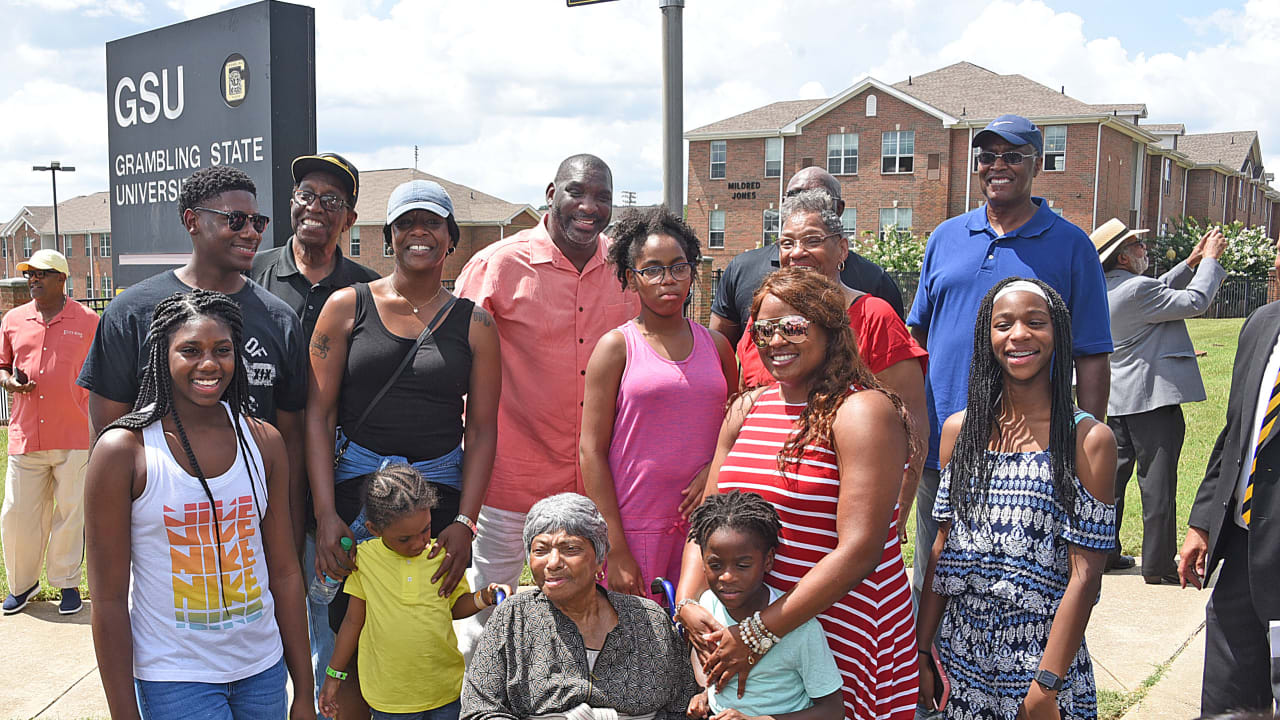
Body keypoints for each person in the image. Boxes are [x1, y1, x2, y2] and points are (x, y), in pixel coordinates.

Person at [676, 267, 919, 720]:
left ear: (830, 329)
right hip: (748, 623)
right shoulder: (747, 408)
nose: (775, 341)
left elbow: (861, 550)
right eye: (764, 330)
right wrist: (689, 604)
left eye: (794, 327)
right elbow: (703, 522)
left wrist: (759, 635)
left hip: (838, 627)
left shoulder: (863, 410)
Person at [306, 179, 501, 718]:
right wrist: (325, 514)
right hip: (355, 497)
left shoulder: (477, 323)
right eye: (405, 224)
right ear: (388, 237)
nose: (419, 232)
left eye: (432, 222)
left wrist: (465, 521)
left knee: (423, 616)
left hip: (436, 502)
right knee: (348, 619)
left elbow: (482, 430)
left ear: (451, 238)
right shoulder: (346, 307)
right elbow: (318, 418)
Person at [908, 114, 1114, 599]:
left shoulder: (1070, 245)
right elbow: (916, 340)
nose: (998, 165)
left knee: (1032, 589)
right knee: (936, 578)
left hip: (1034, 456)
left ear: (1036, 164)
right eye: (988, 156)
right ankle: (930, 672)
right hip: (944, 445)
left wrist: (1083, 443)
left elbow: (1091, 353)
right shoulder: (945, 238)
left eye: (1013, 155)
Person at [84, 290, 313, 720]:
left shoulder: (263, 442)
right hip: (175, 677)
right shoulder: (125, 451)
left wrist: (303, 689)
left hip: (262, 671)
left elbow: (284, 571)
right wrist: (123, 713)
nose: (209, 364)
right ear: (161, 355)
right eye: (190, 350)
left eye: (222, 350)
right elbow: (109, 600)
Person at [454, 154, 638, 656]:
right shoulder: (496, 265)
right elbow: (455, 364)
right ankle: (481, 702)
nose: (590, 206)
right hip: (510, 473)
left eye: (603, 196)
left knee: (588, 606)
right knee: (488, 606)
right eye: (578, 192)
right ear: (551, 192)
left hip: (599, 479)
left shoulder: (626, 268)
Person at [915, 277, 1117, 720]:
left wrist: (1046, 685)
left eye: (1035, 322)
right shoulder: (960, 432)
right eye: (1003, 324)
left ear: (1058, 334)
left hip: (1041, 660)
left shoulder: (1088, 440)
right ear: (987, 338)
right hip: (961, 654)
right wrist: (924, 649)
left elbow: (1085, 575)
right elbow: (941, 550)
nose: (1019, 335)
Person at [250, 152, 380, 708]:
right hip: (262, 479)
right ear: (291, 203)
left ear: (348, 218)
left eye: (332, 201)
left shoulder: (369, 290)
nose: (316, 208)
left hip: (338, 482)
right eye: (307, 195)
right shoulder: (251, 279)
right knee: (263, 617)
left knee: (333, 619)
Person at [76, 164, 307, 467]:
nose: (251, 233)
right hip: (155, 506)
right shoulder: (130, 313)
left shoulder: (280, 320)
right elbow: (105, 439)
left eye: (258, 222)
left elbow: (290, 443)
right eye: (235, 220)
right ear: (193, 221)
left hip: (251, 508)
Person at [735, 190, 928, 537]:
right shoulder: (760, 324)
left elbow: (911, 424)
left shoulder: (874, 317)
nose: (797, 253)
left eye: (812, 240)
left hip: (846, 516)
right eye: (787, 243)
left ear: (842, 249)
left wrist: (896, 513)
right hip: (761, 517)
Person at [580, 206, 736, 597]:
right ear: (631, 279)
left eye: (678, 266)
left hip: (706, 522)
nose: (667, 280)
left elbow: (737, 429)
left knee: (696, 642)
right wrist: (615, 548)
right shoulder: (616, 347)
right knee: (638, 649)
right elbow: (590, 451)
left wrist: (713, 473)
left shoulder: (716, 346)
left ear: (693, 270)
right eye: (652, 269)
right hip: (635, 528)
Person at [461, 493, 697, 720]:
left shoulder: (649, 619)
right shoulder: (513, 617)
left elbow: (682, 706)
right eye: (540, 550)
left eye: (570, 549)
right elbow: (479, 709)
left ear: (599, 559)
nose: (553, 563)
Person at [1093, 218, 1227, 583]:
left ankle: (1104, 552)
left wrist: (1191, 262)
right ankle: (1158, 567)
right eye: (1138, 246)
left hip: (1117, 401)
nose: (1145, 251)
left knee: (1112, 484)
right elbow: (1196, 301)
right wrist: (1212, 260)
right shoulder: (1137, 291)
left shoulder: (1106, 290)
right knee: (1157, 484)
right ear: (1122, 257)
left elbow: (1158, 288)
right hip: (1152, 401)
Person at [319, 464, 510, 720]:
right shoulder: (364, 560)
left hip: (444, 692)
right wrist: (334, 675)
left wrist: (483, 597)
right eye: (404, 539)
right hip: (390, 700)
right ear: (374, 530)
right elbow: (353, 621)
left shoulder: (442, 555)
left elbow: (453, 607)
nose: (419, 543)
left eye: (425, 530)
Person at [1176, 252, 1280, 714]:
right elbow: (1235, 432)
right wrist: (1201, 522)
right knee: (1227, 704)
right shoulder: (1261, 324)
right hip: (1241, 550)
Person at [684, 490, 843, 720]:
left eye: (742, 565)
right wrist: (704, 694)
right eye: (716, 565)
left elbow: (833, 711)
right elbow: (701, 656)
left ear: (768, 560)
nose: (727, 577)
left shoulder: (799, 627)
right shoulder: (707, 605)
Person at [0, 249, 99, 615]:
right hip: (26, 434)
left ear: (62, 279)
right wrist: (9, 382)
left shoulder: (88, 320)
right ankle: (23, 585)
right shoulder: (13, 320)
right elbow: (3, 365)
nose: (33, 280)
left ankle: (67, 582)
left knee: (71, 514)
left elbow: (100, 372)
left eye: (42, 274)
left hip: (73, 433)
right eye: (29, 274)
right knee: (17, 514)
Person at [709, 166, 905, 350]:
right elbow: (717, 356)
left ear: (839, 209)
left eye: (813, 241)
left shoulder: (874, 285)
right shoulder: (742, 270)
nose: (797, 253)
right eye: (795, 196)